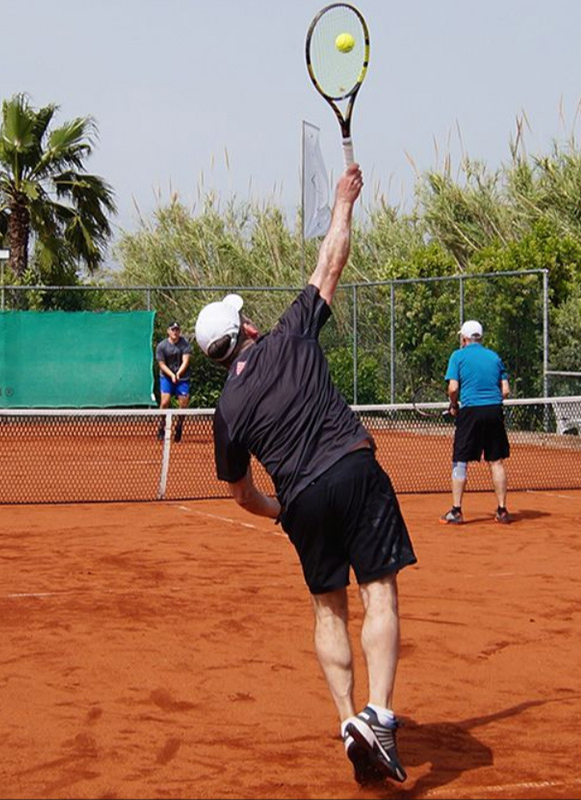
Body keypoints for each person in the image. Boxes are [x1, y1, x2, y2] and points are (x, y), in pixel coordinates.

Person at [193, 163, 415, 786]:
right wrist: (345, 203)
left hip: (302, 498)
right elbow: (331, 263)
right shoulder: (290, 334)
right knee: (380, 593)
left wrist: (279, 510)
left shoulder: (226, 409)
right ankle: (383, 714)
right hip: (353, 466)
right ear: (247, 330)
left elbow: (237, 492)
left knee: (327, 610)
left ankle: (349, 720)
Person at [441, 319, 511, 525]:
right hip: (494, 411)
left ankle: (456, 511)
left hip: (470, 411)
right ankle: (502, 510)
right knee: (496, 461)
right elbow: (505, 390)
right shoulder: (495, 357)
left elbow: (453, 388)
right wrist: (490, 401)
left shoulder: (458, 356)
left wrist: (453, 405)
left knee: (460, 460)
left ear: (464, 338)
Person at [154, 321, 192, 442]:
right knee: (164, 402)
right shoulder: (161, 346)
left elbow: (185, 361)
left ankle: (179, 427)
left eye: (177, 330)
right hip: (166, 377)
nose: (175, 332)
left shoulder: (185, 344)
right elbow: (161, 364)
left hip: (182, 377)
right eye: (173, 329)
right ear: (168, 331)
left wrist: (178, 374)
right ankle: (161, 426)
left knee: (184, 404)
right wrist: (171, 375)